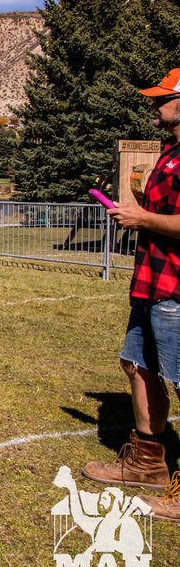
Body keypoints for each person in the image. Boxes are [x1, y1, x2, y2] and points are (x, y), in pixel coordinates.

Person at [83, 67, 180, 522]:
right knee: (137, 363)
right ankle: (147, 465)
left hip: (177, 287)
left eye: (164, 98)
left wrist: (142, 219)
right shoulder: (171, 152)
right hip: (153, 281)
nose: (155, 105)